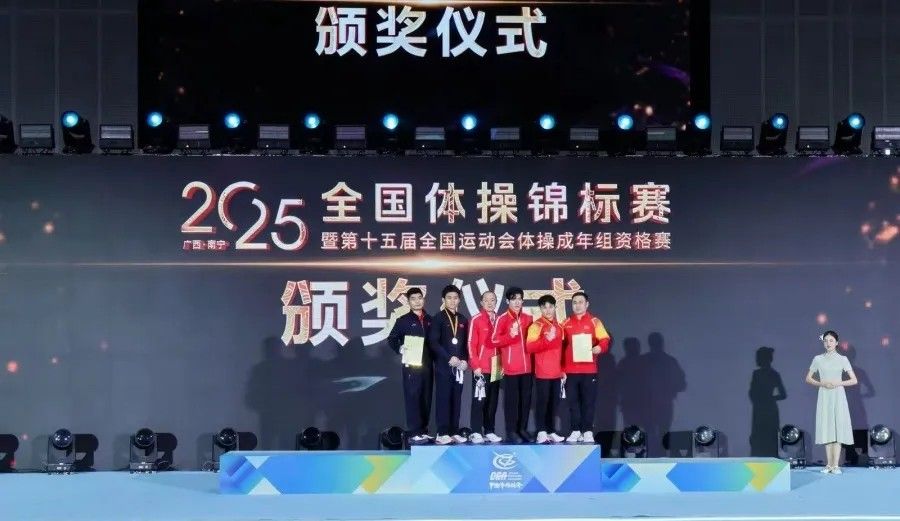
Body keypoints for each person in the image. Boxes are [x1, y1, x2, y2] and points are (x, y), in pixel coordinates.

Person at [561, 291, 611, 444]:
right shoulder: (565, 323)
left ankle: (587, 430)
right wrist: (562, 368)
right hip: (570, 371)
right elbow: (559, 346)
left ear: (587, 304)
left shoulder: (595, 322)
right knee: (573, 402)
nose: (577, 305)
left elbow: (605, 339)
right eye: (574, 302)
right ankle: (575, 430)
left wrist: (599, 348)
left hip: (589, 370)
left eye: (580, 302)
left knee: (588, 402)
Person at [805, 330, 857, 474]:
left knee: (838, 427)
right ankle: (828, 464)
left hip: (838, 395)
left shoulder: (843, 359)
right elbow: (808, 378)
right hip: (824, 395)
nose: (828, 343)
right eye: (826, 341)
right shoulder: (818, 359)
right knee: (827, 427)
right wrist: (822, 383)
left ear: (836, 343)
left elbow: (854, 380)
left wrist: (838, 383)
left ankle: (836, 465)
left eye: (831, 341)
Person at [387, 287, 434, 444]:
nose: (417, 301)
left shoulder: (430, 320)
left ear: (423, 299)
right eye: (413, 299)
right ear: (408, 302)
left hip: (428, 365)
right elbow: (392, 338)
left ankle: (423, 430)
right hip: (411, 365)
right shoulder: (403, 320)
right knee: (413, 397)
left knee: (426, 397)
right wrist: (400, 348)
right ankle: (415, 431)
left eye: (419, 298)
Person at [428, 285, 470, 445]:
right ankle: (442, 432)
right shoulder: (438, 318)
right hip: (443, 366)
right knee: (444, 398)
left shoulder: (463, 319)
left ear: (459, 300)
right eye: (449, 298)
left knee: (456, 399)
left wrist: (465, 360)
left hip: (459, 368)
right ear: (443, 300)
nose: (452, 301)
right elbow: (433, 342)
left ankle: (454, 431)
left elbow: (465, 344)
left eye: (455, 298)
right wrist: (448, 357)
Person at [493, 287, 534, 443]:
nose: (517, 302)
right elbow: (494, 340)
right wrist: (510, 335)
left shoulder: (528, 318)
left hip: (527, 367)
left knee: (525, 401)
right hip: (510, 368)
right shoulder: (502, 319)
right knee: (512, 402)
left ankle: (522, 429)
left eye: (519, 299)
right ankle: (511, 431)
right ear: (507, 301)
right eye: (513, 299)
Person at [526, 295, 566, 444]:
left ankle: (551, 431)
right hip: (542, 371)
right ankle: (541, 432)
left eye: (550, 307)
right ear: (540, 309)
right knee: (542, 403)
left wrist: (562, 369)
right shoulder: (536, 326)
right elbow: (529, 347)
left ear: (555, 308)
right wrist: (546, 340)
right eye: (544, 307)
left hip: (556, 372)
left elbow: (561, 350)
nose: (548, 310)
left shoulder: (559, 327)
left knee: (553, 403)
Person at [467, 291, 503, 444]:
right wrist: (475, 365)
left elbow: (503, 343)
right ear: (481, 303)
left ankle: (489, 431)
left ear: (496, 302)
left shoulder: (500, 320)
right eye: (486, 300)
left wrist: (503, 365)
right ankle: (476, 431)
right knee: (479, 400)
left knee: (492, 402)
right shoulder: (476, 319)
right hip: (481, 367)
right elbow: (470, 344)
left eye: (492, 300)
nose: (489, 303)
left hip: (497, 367)